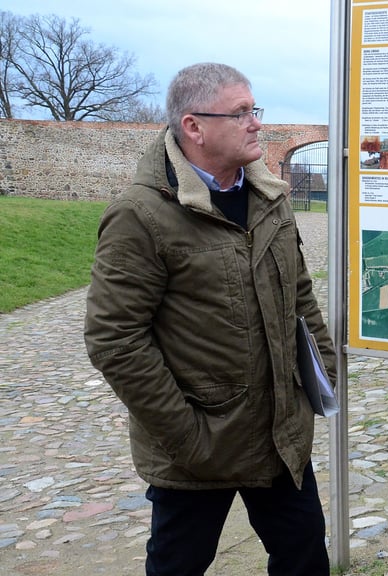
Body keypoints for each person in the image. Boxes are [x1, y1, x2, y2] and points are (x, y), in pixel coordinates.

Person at [83, 62, 335, 576]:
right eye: (241, 113)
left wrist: (321, 373)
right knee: (180, 564)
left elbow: (300, 295)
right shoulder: (142, 213)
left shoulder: (269, 198)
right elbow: (114, 339)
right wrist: (187, 436)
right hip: (199, 445)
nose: (257, 123)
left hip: (279, 434)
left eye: (254, 109)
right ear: (194, 126)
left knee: (305, 554)